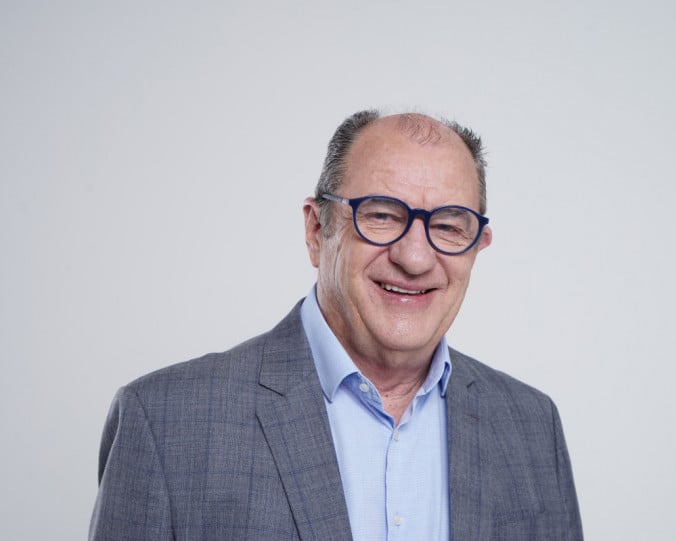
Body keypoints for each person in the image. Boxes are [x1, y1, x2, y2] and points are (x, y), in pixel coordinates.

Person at [89, 110, 583, 540]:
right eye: (382, 216)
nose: (415, 258)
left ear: (477, 245)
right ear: (316, 230)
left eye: (449, 225)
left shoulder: (532, 426)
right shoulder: (165, 421)